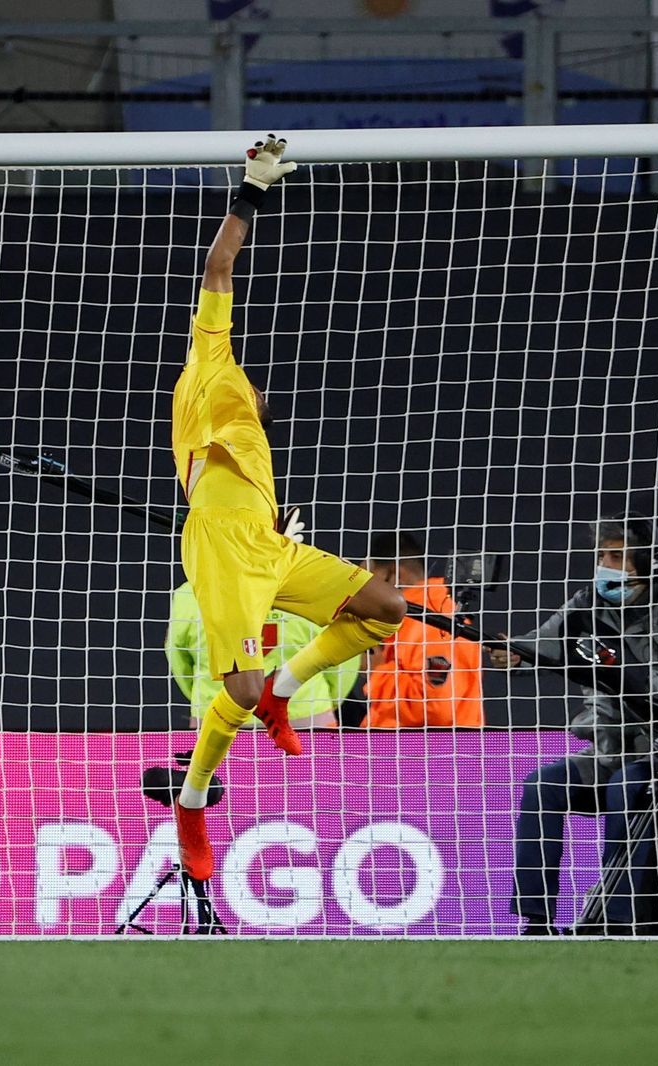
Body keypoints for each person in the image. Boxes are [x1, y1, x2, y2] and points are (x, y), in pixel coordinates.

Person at [168, 135, 408, 883]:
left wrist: (275, 535)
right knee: (231, 695)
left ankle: (284, 688)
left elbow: (253, 503)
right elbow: (218, 266)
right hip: (218, 548)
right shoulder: (212, 358)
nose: (262, 390)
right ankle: (193, 800)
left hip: (266, 544)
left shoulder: (256, 445)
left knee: (385, 606)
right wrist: (252, 190)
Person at [491, 514, 658, 934]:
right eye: (603, 554)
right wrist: (513, 654)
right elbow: (541, 646)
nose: (605, 564)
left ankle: (616, 921)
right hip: (611, 750)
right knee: (543, 784)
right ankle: (537, 919)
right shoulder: (586, 605)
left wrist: (639, 680)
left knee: (625, 786)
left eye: (617, 556)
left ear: (647, 563)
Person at [167, 580, 355, 731]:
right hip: (306, 714)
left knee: (220, 779)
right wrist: (325, 700)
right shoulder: (310, 587)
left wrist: (205, 695)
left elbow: (179, 659)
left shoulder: (192, 592)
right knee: (313, 777)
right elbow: (344, 657)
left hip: (217, 716)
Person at [359, 531, 483, 729]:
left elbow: (435, 709)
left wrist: (376, 672)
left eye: (371, 582)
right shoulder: (412, 618)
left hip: (426, 755)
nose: (367, 593)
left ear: (396, 575)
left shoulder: (433, 620)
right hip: (406, 752)